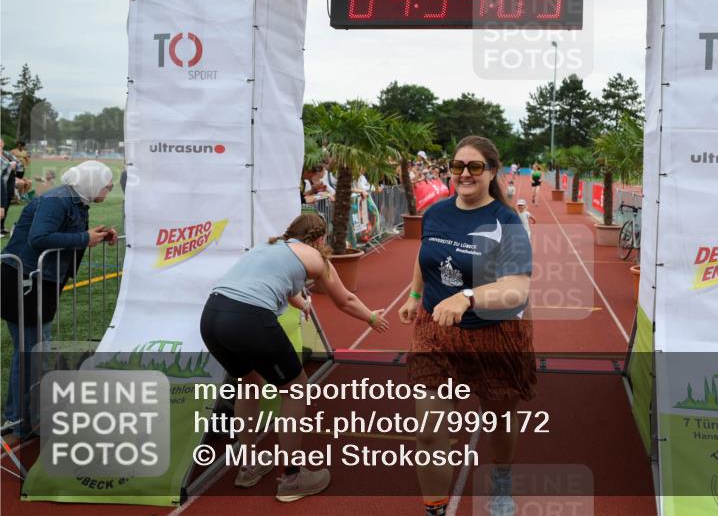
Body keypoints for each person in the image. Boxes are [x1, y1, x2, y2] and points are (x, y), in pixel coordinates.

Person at [200, 213, 389, 502]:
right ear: (320, 239)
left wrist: (301, 302)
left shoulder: (269, 247)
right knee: (296, 387)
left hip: (212, 315)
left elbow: (275, 284)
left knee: (248, 383)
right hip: (248, 318)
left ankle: (249, 466)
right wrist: (371, 317)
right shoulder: (313, 256)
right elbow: (345, 299)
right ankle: (292, 477)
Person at [398, 135, 534, 516]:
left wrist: (468, 297)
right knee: (428, 431)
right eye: (458, 166)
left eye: (475, 167)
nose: (465, 174)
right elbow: (426, 254)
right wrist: (413, 297)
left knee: (499, 422)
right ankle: (436, 509)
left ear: (492, 172)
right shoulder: (436, 214)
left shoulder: (507, 221)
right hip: (436, 332)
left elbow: (517, 289)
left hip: (495, 333)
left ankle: (502, 481)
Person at [1, 161, 116, 438]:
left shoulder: (73, 200)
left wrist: (94, 237)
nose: (109, 188)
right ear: (90, 180)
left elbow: (62, 235)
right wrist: (83, 237)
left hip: (39, 280)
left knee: (34, 351)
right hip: (25, 279)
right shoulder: (57, 200)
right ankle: (21, 421)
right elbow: (39, 238)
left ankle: (23, 418)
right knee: (31, 352)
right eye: (106, 183)